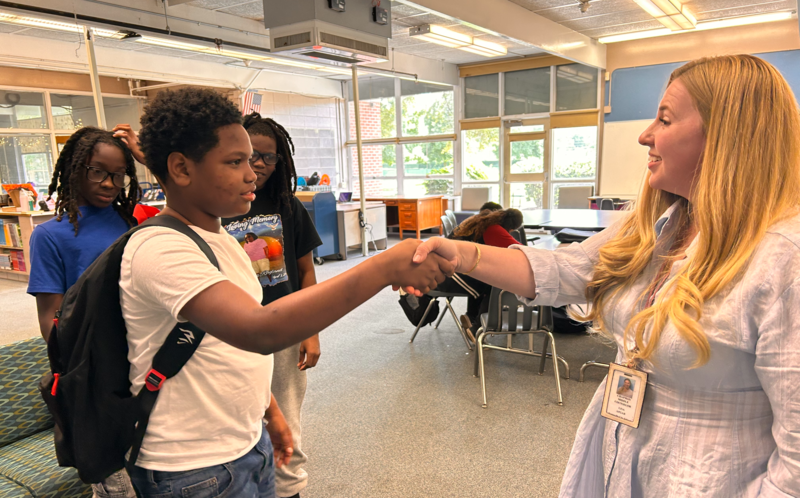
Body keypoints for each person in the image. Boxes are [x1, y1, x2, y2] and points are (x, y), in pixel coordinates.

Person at [412, 55, 800, 497]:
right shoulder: (660, 223)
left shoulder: (783, 261)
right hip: (621, 452)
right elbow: (566, 270)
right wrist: (460, 252)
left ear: (726, 136)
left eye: (665, 119)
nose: (645, 135)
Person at [123, 87, 451, 497]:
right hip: (192, 467)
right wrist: (384, 266)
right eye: (235, 161)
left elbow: (232, 352)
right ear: (181, 169)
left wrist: (271, 414)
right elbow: (257, 331)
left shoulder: (220, 237)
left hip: (245, 443)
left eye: (256, 160)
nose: (251, 174)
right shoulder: (161, 247)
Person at [26, 126, 141, 498]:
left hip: (140, 358)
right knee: (112, 479)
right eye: (97, 171)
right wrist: (81, 366)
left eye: (118, 175)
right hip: (92, 372)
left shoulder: (131, 223)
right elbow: (50, 318)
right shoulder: (49, 235)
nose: (110, 183)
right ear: (74, 169)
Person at [221, 112, 323, 498]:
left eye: (268, 157)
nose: (257, 166)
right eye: (249, 156)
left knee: (287, 419)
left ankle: (289, 489)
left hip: (284, 327)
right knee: (241, 419)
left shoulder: (288, 206)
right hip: (231, 331)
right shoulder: (217, 208)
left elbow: (306, 274)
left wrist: (310, 331)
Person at [435, 208, 523, 341]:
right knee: (495, 282)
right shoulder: (494, 230)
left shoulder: (483, 223)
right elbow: (520, 251)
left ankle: (471, 318)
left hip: (446, 270)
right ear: (511, 227)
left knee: (482, 273)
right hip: (449, 276)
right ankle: (478, 328)